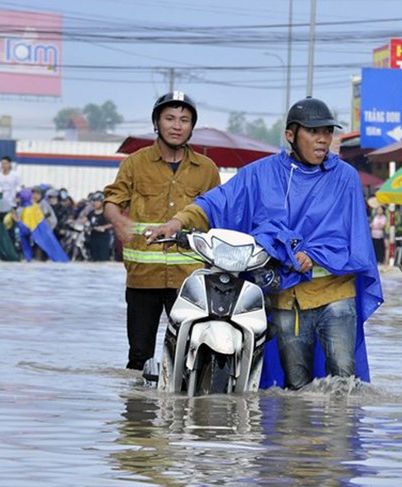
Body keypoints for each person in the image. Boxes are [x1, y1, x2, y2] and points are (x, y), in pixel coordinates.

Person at [147, 96, 383, 390]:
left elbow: (349, 232)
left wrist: (316, 254)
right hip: (287, 297)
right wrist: (177, 222)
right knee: (295, 388)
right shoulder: (262, 173)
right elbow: (218, 201)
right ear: (290, 135)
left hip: (335, 296)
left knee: (344, 383)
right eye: (313, 132)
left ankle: (338, 434)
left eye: (327, 132)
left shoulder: (345, 177)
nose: (322, 140)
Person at [103, 91, 221, 372]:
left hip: (190, 279)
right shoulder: (134, 163)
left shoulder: (206, 169)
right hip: (143, 278)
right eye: (169, 118)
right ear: (157, 122)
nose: (177, 126)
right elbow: (111, 200)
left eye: (184, 119)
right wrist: (117, 220)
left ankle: (184, 414)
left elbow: (218, 214)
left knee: (191, 357)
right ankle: (138, 414)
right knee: (139, 357)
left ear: (192, 126)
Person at [86, 191, 113, 261]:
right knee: (94, 256)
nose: (95, 203)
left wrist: (103, 227)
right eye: (94, 201)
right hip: (93, 237)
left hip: (103, 238)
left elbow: (112, 223)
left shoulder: (106, 213)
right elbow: (85, 220)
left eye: (97, 201)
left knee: (103, 257)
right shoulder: (91, 213)